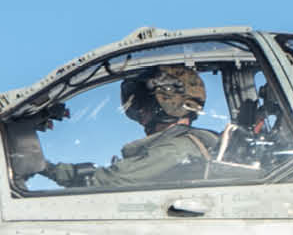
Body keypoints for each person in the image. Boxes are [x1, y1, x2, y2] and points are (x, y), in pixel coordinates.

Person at [42, 65, 220, 188]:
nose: (140, 111)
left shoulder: (175, 148)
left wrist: (47, 169)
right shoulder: (184, 144)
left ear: (169, 103)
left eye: (145, 104)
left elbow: (109, 180)